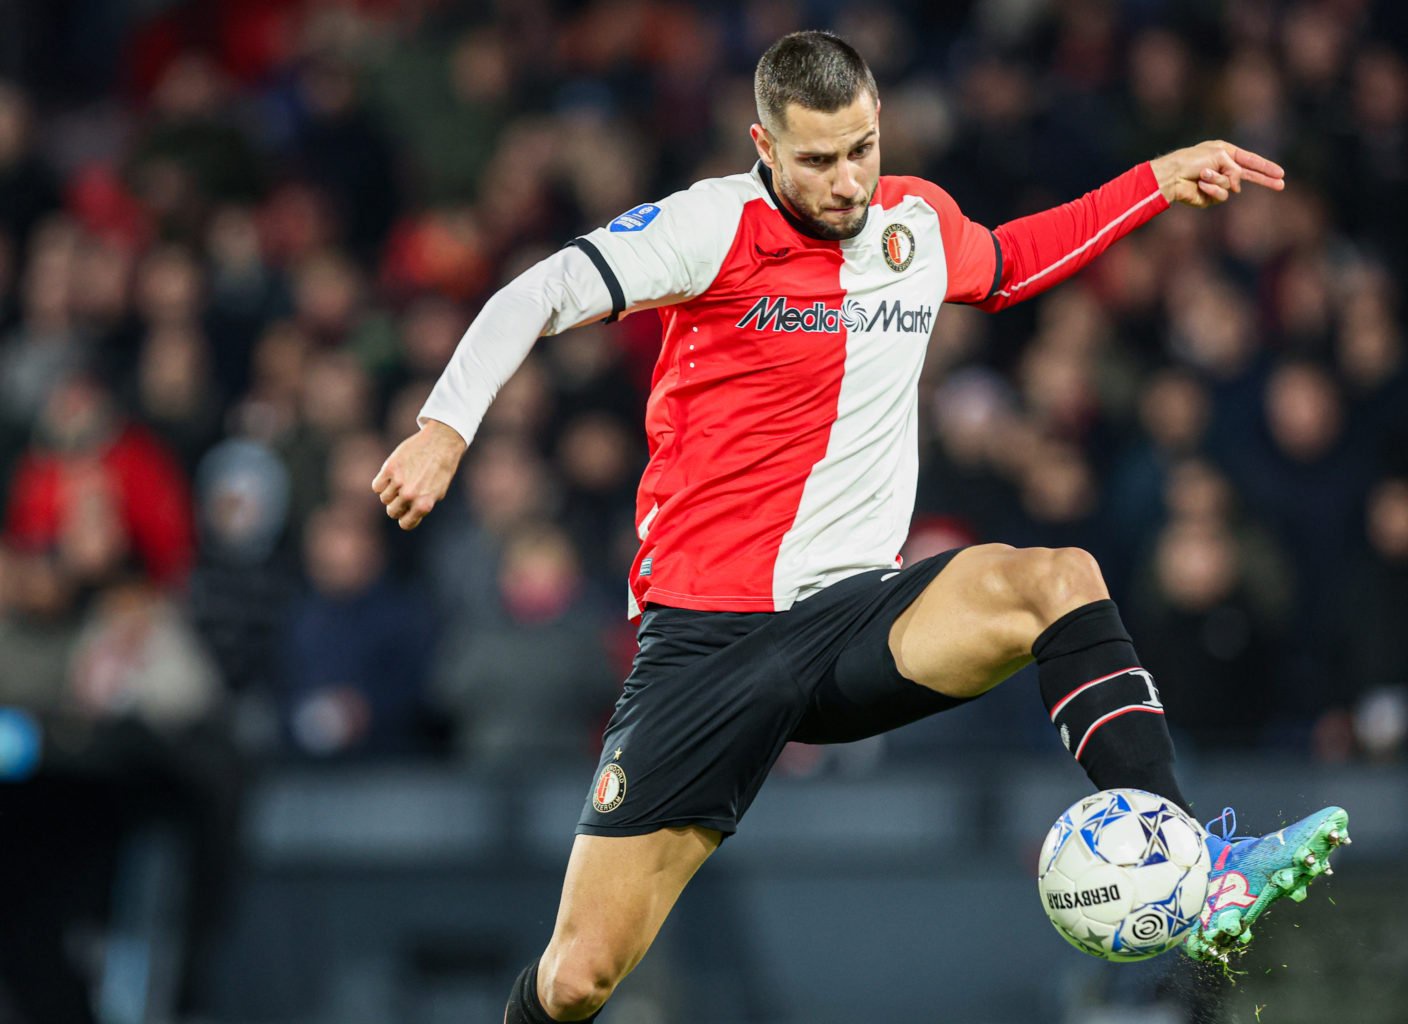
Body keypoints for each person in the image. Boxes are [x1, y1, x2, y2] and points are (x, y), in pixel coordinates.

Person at [373, 31, 1350, 1022]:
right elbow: (535, 292)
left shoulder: (915, 222)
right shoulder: (709, 227)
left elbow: (1009, 261)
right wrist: (444, 430)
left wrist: (1153, 181)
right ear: (764, 142)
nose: (847, 181)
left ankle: (1197, 861)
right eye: (818, 160)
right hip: (709, 643)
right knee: (579, 977)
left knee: (1059, 579)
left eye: (862, 150)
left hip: (857, 618)